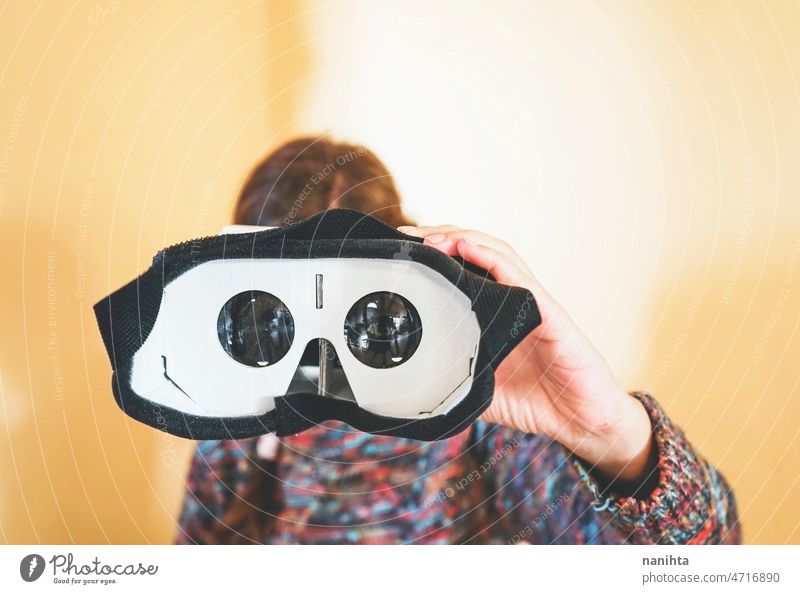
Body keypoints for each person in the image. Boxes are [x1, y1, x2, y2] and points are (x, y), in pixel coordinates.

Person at [174, 136, 741, 544]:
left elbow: (706, 564)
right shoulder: (238, 421)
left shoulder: (476, 409)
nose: (317, 354)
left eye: (349, 302)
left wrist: (610, 436)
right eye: (279, 309)